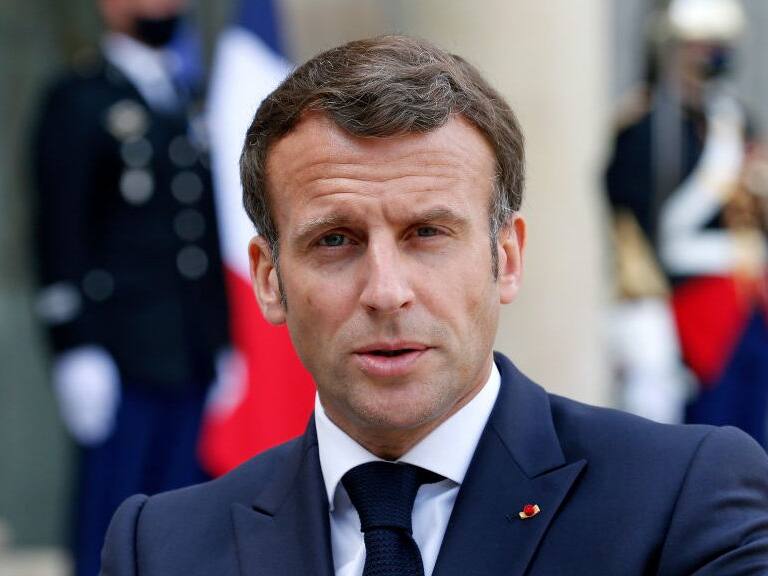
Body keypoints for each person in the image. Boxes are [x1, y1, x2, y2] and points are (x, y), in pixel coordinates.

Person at [101, 35, 768, 576]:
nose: (386, 291)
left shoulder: (683, 498)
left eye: (427, 234)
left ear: (505, 257)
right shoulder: (160, 548)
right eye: (335, 241)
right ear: (268, 279)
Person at [32, 1, 229, 574]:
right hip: (120, 354)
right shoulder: (80, 96)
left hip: (189, 353)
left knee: (184, 522)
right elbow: (60, 229)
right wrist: (74, 346)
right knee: (113, 524)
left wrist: (221, 339)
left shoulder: (185, 94)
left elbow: (203, 229)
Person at [605, 0, 768, 446]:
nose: (709, 55)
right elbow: (633, 217)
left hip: (745, 297)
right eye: (699, 45)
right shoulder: (645, 127)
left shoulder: (733, 120)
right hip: (685, 295)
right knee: (698, 429)